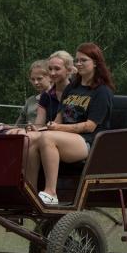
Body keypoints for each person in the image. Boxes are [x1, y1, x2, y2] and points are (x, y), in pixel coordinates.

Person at [27, 42, 115, 205]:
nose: (79, 64)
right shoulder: (72, 88)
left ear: (95, 63)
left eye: (84, 60)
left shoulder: (102, 91)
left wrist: (55, 129)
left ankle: (51, 192)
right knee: (32, 139)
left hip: (90, 142)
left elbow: (89, 126)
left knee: (46, 139)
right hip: (66, 138)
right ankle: (30, 191)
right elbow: (60, 117)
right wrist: (42, 129)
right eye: (77, 60)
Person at [15, 60, 50, 126]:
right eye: (32, 79)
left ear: (49, 77)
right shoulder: (30, 100)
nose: (35, 82)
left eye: (39, 79)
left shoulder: (57, 99)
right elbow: (17, 125)